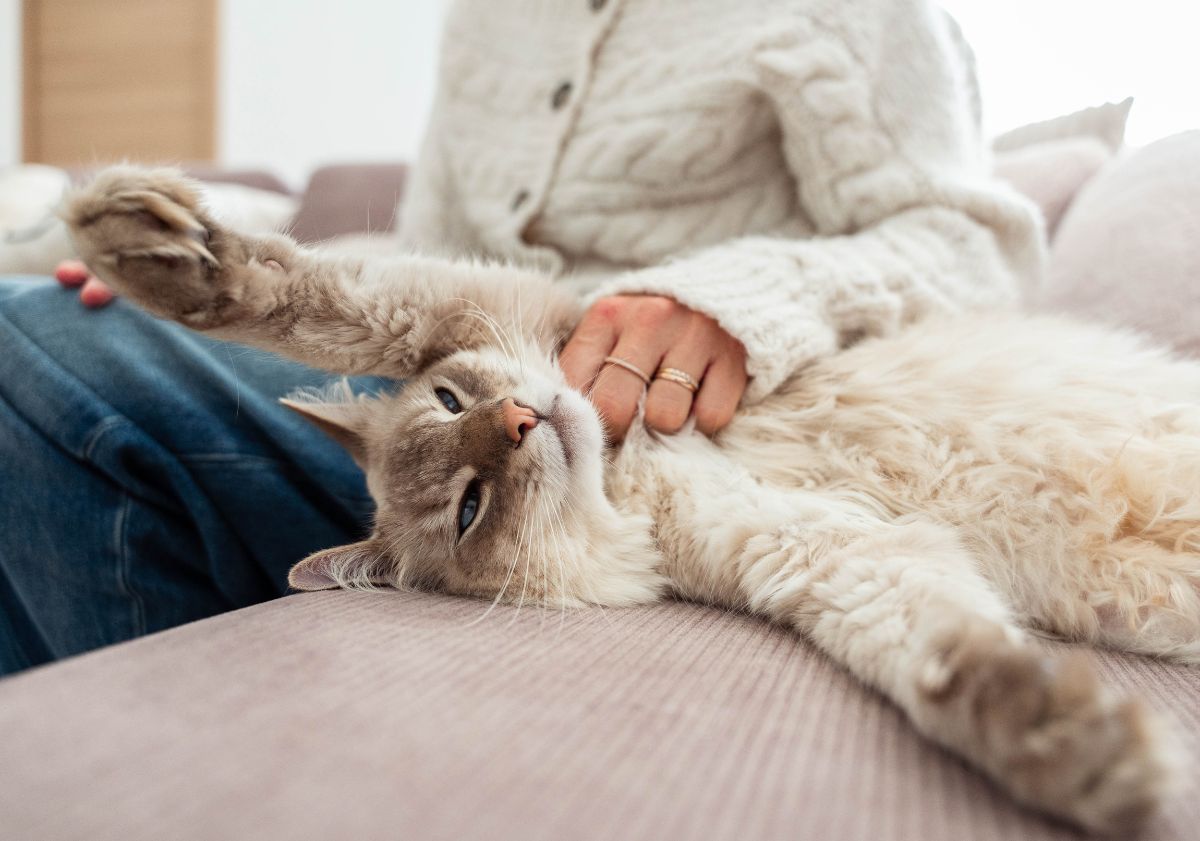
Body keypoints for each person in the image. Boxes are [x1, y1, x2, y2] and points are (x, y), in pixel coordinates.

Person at [0, 0, 1042, 676]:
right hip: (441, 414)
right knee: (42, 338)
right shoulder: (493, 17)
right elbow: (434, 249)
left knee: (35, 354)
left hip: (641, 451)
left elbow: (977, 243)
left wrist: (734, 299)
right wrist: (206, 306)